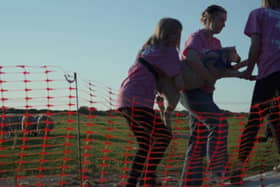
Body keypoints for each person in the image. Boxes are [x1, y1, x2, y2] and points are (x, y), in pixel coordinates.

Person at [115, 17, 183, 187]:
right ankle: (147, 178)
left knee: (146, 144)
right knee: (164, 136)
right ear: (173, 34)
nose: (178, 37)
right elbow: (178, 76)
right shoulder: (168, 51)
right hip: (137, 100)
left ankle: (134, 183)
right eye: (178, 33)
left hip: (125, 97)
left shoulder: (147, 48)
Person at [179, 5, 229, 186]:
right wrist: (207, 76)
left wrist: (244, 72)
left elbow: (220, 71)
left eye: (225, 21)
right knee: (219, 123)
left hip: (207, 94)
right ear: (208, 18)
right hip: (191, 93)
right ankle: (217, 171)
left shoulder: (217, 44)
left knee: (198, 140)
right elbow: (191, 57)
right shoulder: (196, 37)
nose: (224, 25)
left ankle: (190, 184)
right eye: (221, 20)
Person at [230, 0, 280, 184]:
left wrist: (249, 70)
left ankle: (238, 168)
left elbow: (256, 45)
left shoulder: (258, 14)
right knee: (275, 119)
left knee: (255, 121)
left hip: (269, 75)